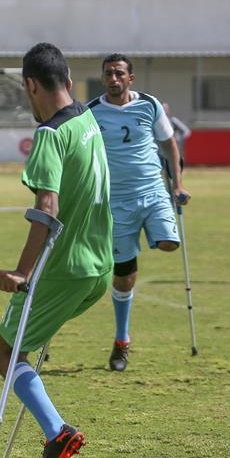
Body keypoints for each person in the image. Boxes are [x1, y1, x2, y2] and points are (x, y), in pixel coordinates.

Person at [0, 43, 112, 458]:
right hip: (100, 266)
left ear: (31, 85)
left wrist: (22, 272)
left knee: (6, 352)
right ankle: (54, 434)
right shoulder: (87, 118)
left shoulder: (49, 134)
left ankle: (57, 431)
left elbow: (47, 205)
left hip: (65, 268)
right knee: (24, 342)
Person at [88, 53, 189, 372]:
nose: (113, 79)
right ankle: (121, 341)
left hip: (153, 192)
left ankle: (153, 233)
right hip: (115, 202)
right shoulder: (91, 112)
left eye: (119, 73)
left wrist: (177, 184)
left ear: (130, 78)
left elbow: (169, 145)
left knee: (170, 243)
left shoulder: (149, 104)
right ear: (103, 78)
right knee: (124, 275)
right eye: (108, 74)